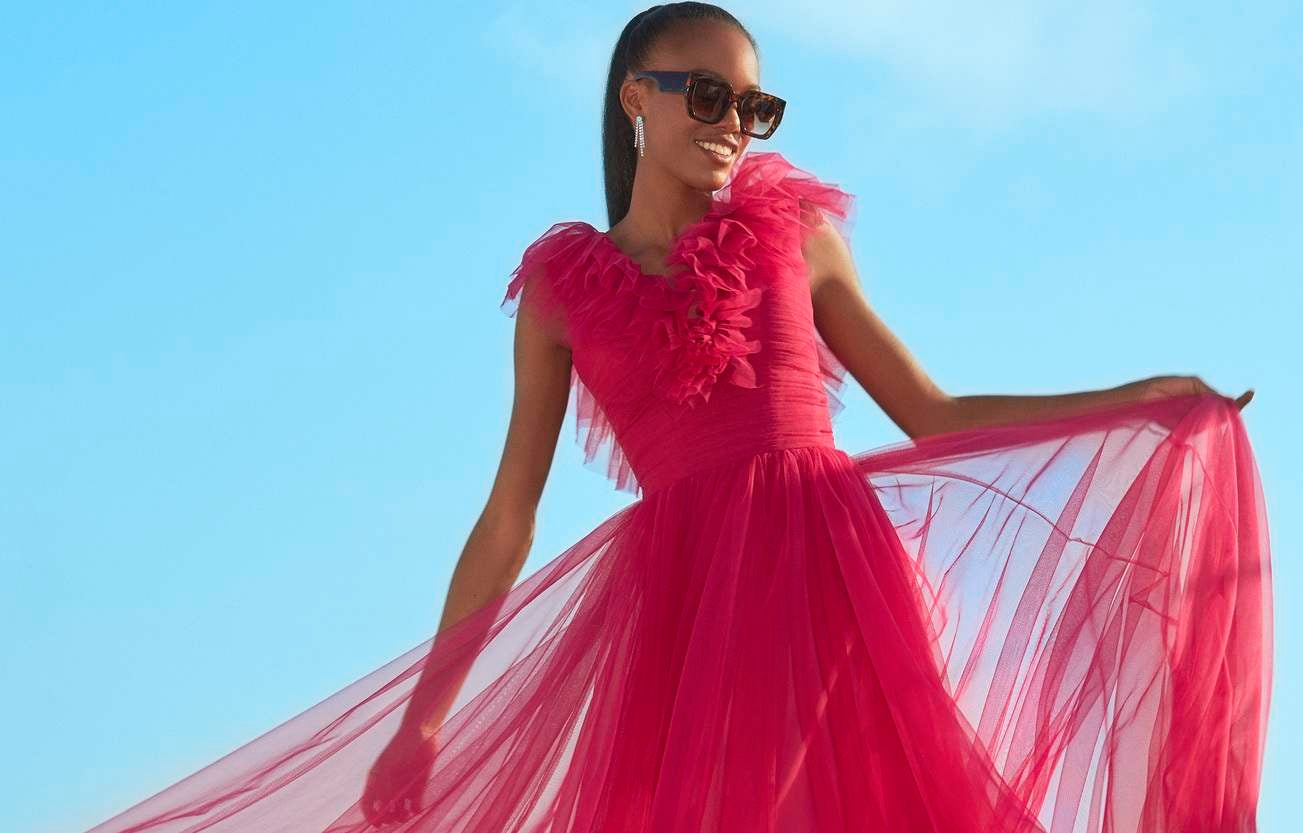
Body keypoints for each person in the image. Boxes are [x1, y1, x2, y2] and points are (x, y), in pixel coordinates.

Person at [82, 4, 1270, 833]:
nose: (733, 124)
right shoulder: (559, 288)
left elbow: (929, 407)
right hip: (678, 614)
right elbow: (509, 514)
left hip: (824, 578)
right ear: (632, 99)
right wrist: (423, 721)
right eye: (707, 94)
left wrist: (1135, 395)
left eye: (754, 104)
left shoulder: (796, 231)